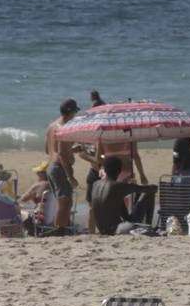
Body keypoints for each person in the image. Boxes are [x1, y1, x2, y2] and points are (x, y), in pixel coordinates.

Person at [88, 155, 158, 235]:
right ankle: (148, 224)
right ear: (119, 171)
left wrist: (126, 185)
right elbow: (150, 189)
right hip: (116, 229)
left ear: (105, 170)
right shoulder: (116, 186)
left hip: (102, 230)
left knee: (117, 198)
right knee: (149, 193)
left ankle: (146, 227)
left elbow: (113, 197)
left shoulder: (95, 184)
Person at [44, 98, 81, 231]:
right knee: (64, 201)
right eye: (75, 112)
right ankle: (59, 230)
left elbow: (48, 150)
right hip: (59, 168)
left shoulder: (51, 126)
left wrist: (70, 150)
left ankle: (63, 228)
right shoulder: (63, 127)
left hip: (51, 167)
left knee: (67, 201)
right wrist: (70, 176)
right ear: (70, 112)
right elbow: (61, 154)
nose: (75, 116)